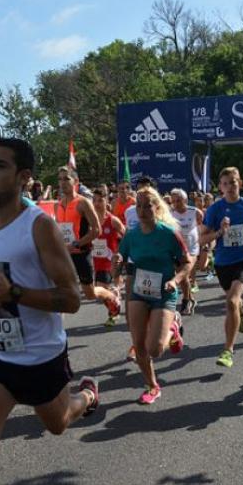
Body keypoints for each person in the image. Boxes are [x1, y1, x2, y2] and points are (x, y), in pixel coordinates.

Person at [0, 137, 99, 485]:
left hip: (40, 356)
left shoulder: (39, 226)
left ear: (24, 177)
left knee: (57, 423)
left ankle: (86, 397)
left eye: (0, 166)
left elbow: (71, 298)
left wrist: (16, 293)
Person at [115, 187, 191, 404]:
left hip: (164, 292)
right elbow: (119, 265)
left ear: (156, 208)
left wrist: (174, 280)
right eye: (138, 205)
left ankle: (173, 329)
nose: (141, 210)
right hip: (139, 292)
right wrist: (117, 264)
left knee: (155, 349)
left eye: (147, 205)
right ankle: (152, 386)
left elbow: (186, 264)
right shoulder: (131, 236)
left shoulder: (168, 234)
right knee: (138, 346)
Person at [198, 167, 243, 369]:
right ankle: (241, 308)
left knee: (231, 301)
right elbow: (203, 237)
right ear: (220, 187)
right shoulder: (215, 210)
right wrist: (220, 232)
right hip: (222, 263)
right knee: (234, 302)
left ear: (240, 184)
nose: (230, 187)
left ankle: (228, 350)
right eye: (226, 183)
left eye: (233, 182)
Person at [55, 167, 121, 325]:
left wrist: (77, 243)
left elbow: (96, 230)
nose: (63, 183)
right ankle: (56, 328)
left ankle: (111, 297)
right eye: (60, 179)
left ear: (75, 182)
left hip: (81, 253)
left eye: (67, 179)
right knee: (61, 290)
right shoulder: (58, 205)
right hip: (65, 254)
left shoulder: (83, 203)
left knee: (90, 294)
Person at [91, 188, 125, 326]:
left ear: (106, 201)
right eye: (94, 200)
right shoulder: (90, 220)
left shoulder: (112, 220)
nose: (97, 203)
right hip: (95, 260)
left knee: (100, 287)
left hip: (109, 260)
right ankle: (115, 302)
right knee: (102, 289)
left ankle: (114, 311)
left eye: (100, 200)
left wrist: (120, 253)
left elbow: (126, 236)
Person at [170, 188, 203, 315]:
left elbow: (201, 227)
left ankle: (186, 300)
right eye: (173, 201)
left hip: (192, 248)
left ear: (185, 200)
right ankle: (190, 299)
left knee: (184, 273)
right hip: (178, 249)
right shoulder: (170, 213)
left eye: (178, 201)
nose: (176, 204)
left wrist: (203, 243)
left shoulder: (195, 212)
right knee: (183, 276)